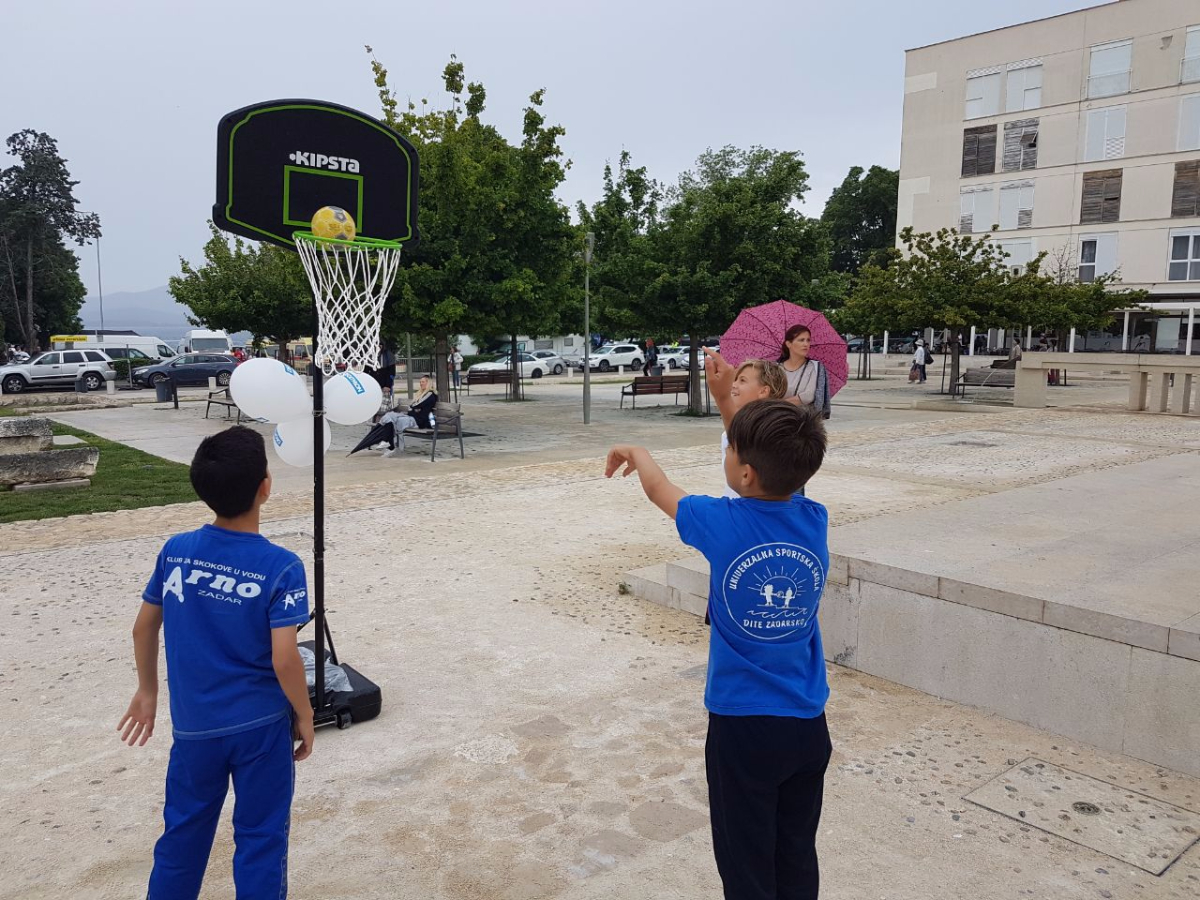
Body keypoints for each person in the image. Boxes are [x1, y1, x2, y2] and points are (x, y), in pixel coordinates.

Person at [605, 400, 832, 900]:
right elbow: (782, 474)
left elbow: (660, 490)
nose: (725, 454)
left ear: (746, 473)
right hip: (808, 723)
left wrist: (638, 451)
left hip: (743, 726)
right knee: (796, 852)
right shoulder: (815, 519)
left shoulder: (719, 521)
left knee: (745, 860)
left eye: (729, 448)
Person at [117, 426, 314, 900]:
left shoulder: (176, 551)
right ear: (265, 487)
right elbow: (284, 656)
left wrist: (148, 691)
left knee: (182, 837)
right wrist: (306, 714)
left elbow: (143, 627)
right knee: (261, 837)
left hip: (194, 729)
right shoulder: (282, 566)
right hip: (260, 728)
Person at [704, 349, 789, 499]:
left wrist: (722, 397)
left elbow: (743, 437)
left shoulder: (769, 430)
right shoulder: (737, 426)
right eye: (735, 379)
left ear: (763, 391)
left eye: (742, 380)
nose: (733, 385)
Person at [376, 373, 438, 456]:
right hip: (412, 417)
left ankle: (390, 446)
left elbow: (415, 405)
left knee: (397, 421)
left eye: (423, 382)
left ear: (428, 383)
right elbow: (413, 407)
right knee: (390, 416)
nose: (421, 384)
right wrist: (414, 409)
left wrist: (414, 408)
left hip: (419, 421)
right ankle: (387, 442)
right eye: (420, 382)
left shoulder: (430, 394)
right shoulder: (421, 394)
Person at [778, 324, 831, 418]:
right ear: (788, 344)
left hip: (804, 419)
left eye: (808, 340)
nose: (806, 344)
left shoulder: (815, 367)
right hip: (777, 418)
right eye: (801, 340)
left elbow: (808, 396)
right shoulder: (776, 368)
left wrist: (777, 405)